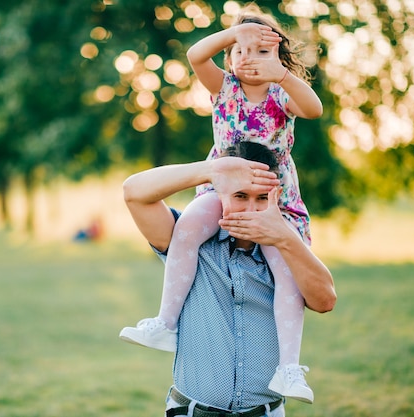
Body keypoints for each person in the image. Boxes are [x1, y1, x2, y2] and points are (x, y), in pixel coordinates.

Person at [119, 3, 323, 403]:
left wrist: (280, 72)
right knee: (189, 228)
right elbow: (196, 54)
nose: (249, 58)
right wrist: (236, 34)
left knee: (285, 270)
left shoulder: (282, 95)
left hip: (273, 199)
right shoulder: (224, 88)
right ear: (229, 55)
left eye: (261, 51)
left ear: (279, 58)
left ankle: (289, 370)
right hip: (220, 191)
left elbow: (314, 109)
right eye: (240, 50)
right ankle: (165, 322)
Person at [122, 141, 336, 416]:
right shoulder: (188, 240)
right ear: (219, 193)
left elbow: (325, 300)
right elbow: (133, 192)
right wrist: (212, 170)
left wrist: (285, 239)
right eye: (240, 195)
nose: (251, 209)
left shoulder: (287, 253)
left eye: (262, 198)